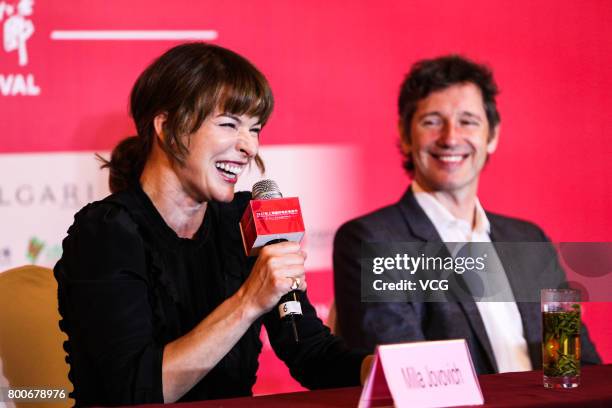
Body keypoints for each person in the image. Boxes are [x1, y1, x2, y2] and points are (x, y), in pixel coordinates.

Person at [54, 42, 369, 406]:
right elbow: (132, 392)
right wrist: (250, 300)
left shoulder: (247, 219)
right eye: (229, 124)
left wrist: (373, 369)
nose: (249, 146)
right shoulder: (106, 233)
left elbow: (311, 352)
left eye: (255, 129)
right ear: (167, 126)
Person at [333, 55, 600, 374]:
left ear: (492, 136)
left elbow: (577, 367)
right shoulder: (372, 240)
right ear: (405, 136)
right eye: (432, 121)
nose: (450, 138)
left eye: (468, 121)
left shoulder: (529, 239)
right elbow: (406, 376)